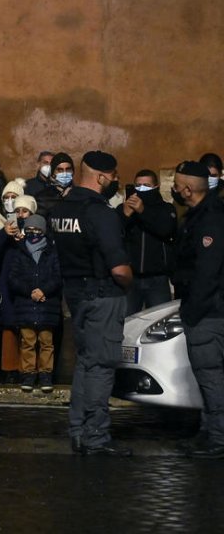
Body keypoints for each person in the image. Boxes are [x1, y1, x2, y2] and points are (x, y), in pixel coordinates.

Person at [50, 150, 133, 457]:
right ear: (100, 177)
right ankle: (96, 435)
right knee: (100, 366)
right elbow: (120, 268)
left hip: (75, 295)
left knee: (85, 363)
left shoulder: (61, 209)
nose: (116, 181)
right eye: (113, 177)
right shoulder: (100, 212)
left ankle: (78, 431)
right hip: (103, 295)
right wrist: (128, 283)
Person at [171, 160, 224, 459]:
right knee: (209, 378)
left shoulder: (210, 219)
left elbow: (207, 271)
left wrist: (193, 311)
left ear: (188, 189)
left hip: (208, 313)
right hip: (208, 310)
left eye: (178, 186)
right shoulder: (202, 215)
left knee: (211, 376)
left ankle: (218, 437)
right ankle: (208, 432)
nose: (176, 190)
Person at [0, 192, 38, 384]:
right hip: (7, 289)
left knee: (28, 331)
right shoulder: (6, 235)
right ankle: (10, 369)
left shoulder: (36, 235)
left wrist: (23, 239)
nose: (21, 215)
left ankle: (28, 370)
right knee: (8, 329)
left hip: (27, 288)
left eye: (25, 211)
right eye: (18, 211)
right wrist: (4, 235)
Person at [8, 214, 62, 392]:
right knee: (28, 342)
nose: (32, 233)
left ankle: (46, 375)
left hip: (47, 306)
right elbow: (13, 278)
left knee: (46, 341)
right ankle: (28, 374)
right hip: (25, 305)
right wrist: (31, 292)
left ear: (44, 231)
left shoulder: (52, 252)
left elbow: (58, 277)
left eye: (37, 230)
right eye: (29, 230)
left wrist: (44, 291)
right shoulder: (19, 251)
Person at [119, 169, 177, 315]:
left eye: (146, 185)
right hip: (131, 278)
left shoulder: (166, 209)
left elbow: (165, 229)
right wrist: (125, 215)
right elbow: (113, 232)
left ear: (156, 187)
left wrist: (143, 211)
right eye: (138, 185)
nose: (141, 189)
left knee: (161, 320)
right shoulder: (125, 209)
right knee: (126, 321)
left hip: (157, 279)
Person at [35, 152, 74, 218]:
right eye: (60, 170)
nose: (64, 173)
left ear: (73, 171)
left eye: (68, 169)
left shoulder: (79, 194)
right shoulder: (42, 198)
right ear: (53, 173)